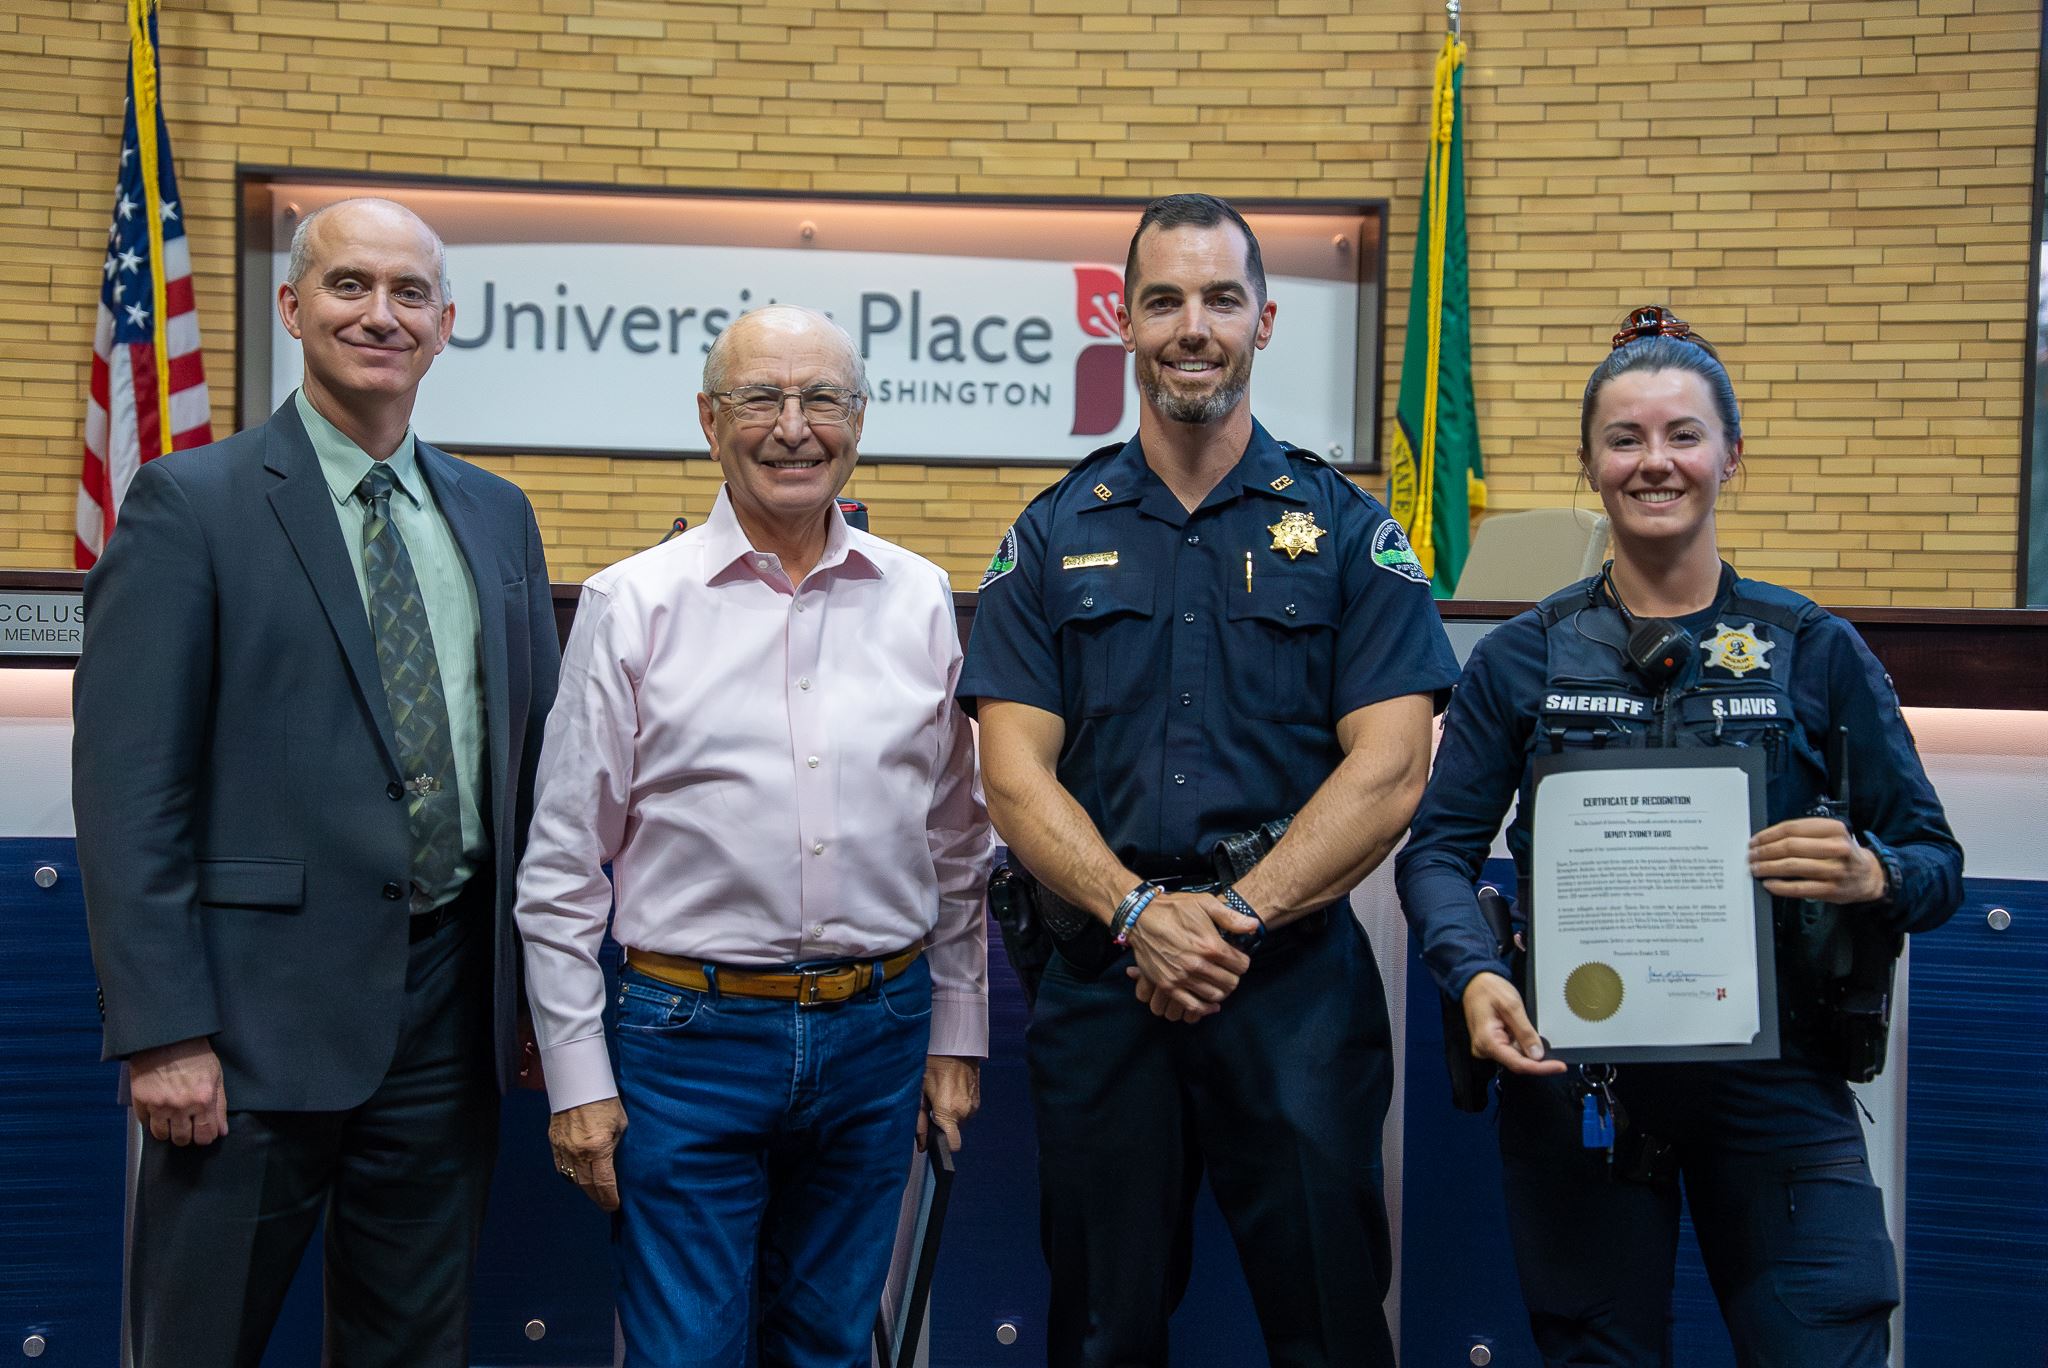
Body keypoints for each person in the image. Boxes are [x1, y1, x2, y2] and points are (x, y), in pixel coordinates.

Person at [1396, 305, 1964, 1366]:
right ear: (1589, 463)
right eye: (1624, 440)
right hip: (1578, 1084)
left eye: (1681, 435)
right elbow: (1435, 854)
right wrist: (1471, 974)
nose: (1653, 463)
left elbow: (1933, 863)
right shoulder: (1522, 659)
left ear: (1728, 456)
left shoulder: (1813, 650)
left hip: (1779, 1083)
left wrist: (1866, 870)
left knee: (1825, 1347)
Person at [959, 193, 1460, 1367]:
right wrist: (1138, 913)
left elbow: (1389, 770)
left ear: (1263, 322)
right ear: (1122, 323)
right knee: (1096, 1331)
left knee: (1331, 1325)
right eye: (1164, 300)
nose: (1194, 326)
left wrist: (1229, 916)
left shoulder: (1349, 534)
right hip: (1103, 982)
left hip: (1290, 985)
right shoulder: (1048, 534)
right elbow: (1010, 775)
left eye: (1221, 299)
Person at [73, 197, 562, 1367]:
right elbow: (131, 791)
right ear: (292, 308)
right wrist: (162, 1032)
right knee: (199, 1345)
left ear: (446, 324)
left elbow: (532, 771)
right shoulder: (192, 505)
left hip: (448, 1023)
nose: (378, 314)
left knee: (413, 1348)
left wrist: (533, 998)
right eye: (349, 286)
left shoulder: (498, 518)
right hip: (244, 1035)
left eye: (407, 294)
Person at [517, 304, 991, 1367]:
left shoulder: (917, 599)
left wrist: (955, 1035)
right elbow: (558, 871)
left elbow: (956, 844)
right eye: (760, 399)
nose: (793, 427)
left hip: (879, 1030)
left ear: (857, 420)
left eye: (821, 398)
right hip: (685, 1040)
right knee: (686, 1353)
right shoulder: (632, 603)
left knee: (827, 1344)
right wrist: (579, 1078)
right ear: (707, 419)